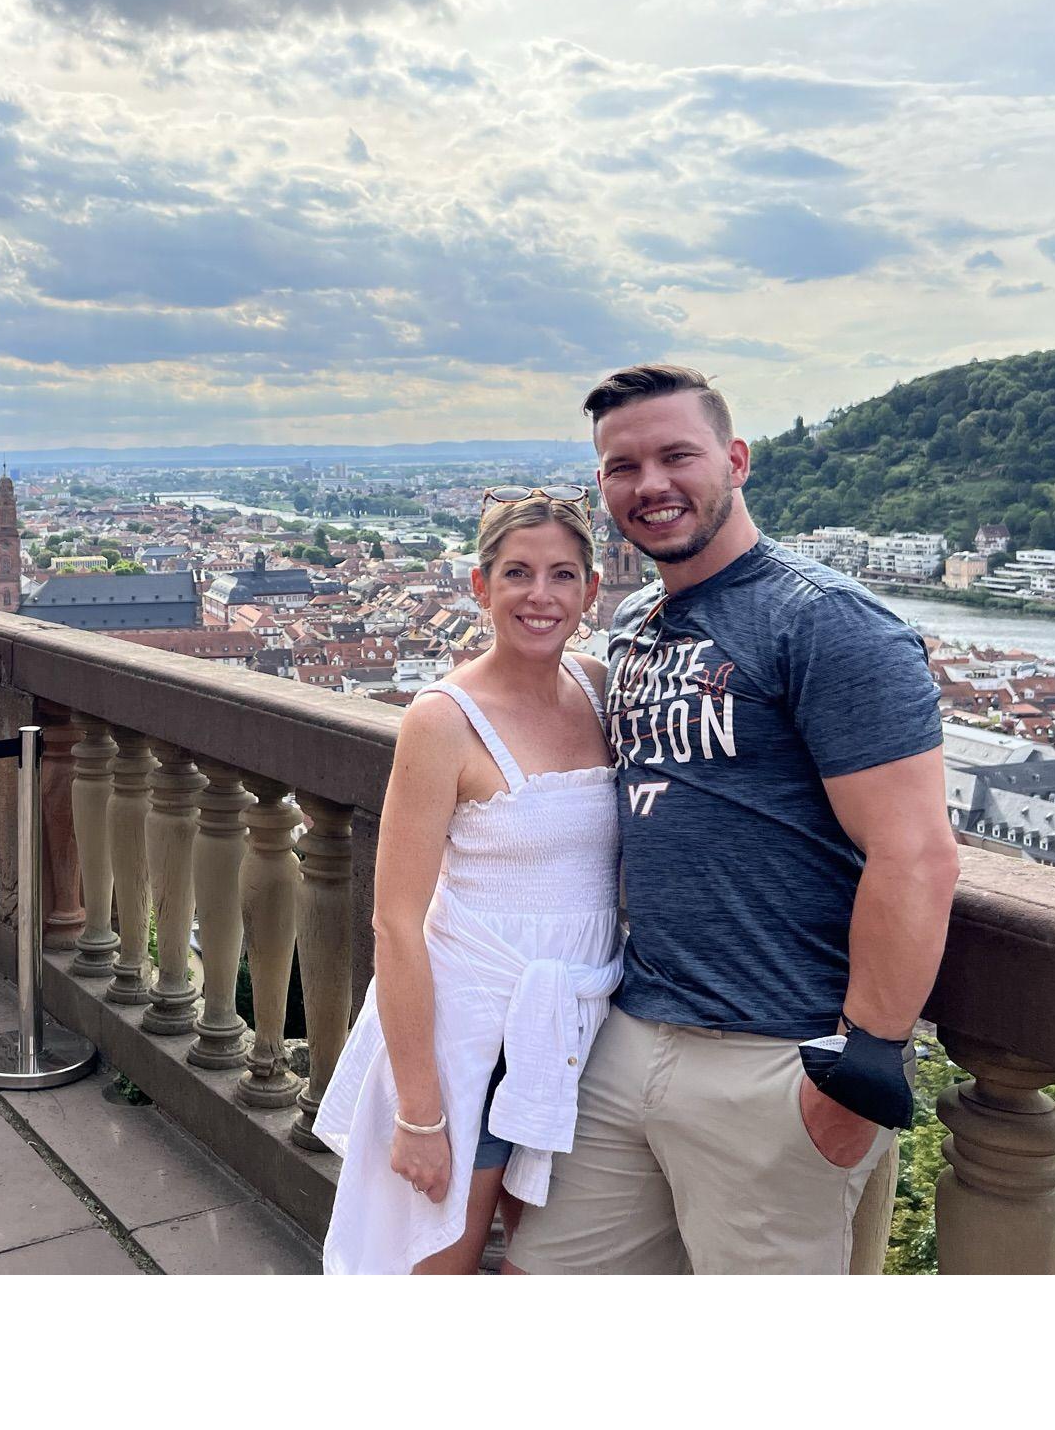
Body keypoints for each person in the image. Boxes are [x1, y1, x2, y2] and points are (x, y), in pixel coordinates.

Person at [506, 363, 959, 1276]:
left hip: (774, 1058)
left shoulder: (829, 624)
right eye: (622, 467)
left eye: (678, 455)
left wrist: (861, 1068)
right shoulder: (634, 620)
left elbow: (914, 856)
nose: (652, 485)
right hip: (628, 1029)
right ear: (603, 486)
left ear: (737, 460)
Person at [314, 486, 621, 1274]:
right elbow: (394, 922)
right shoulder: (441, 720)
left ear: (591, 590)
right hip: (467, 1038)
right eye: (517, 573)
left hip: (575, 1029)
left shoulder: (596, 686)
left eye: (562, 574)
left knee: (542, 1268)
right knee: (435, 1268)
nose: (540, 596)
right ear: (480, 586)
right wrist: (419, 1111)